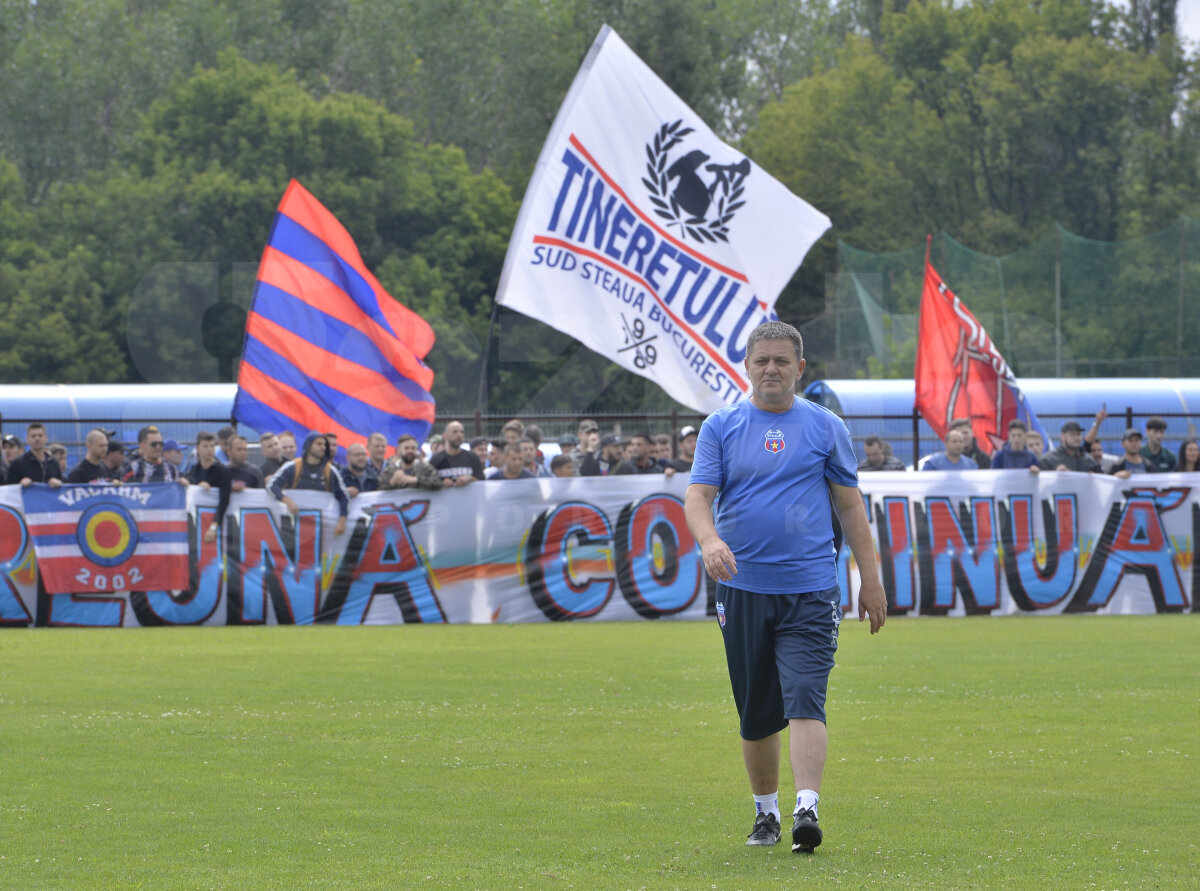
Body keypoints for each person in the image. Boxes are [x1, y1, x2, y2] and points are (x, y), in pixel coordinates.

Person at [684, 321, 886, 853]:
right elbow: (698, 498)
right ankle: (766, 813)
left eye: (781, 361)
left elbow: (850, 507)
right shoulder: (721, 427)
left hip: (812, 591)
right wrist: (708, 542)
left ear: (800, 369)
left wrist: (871, 579)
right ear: (747, 367)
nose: (770, 369)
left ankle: (806, 807)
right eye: (761, 361)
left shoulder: (826, 427)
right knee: (756, 711)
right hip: (743, 589)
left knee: (804, 698)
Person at [266, 432, 348, 536]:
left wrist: (342, 521)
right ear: (309, 446)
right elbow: (272, 486)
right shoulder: (292, 467)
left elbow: (344, 497)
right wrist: (287, 501)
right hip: (294, 528)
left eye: (324, 445)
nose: (323, 447)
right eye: (319, 444)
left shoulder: (330, 471)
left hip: (322, 529)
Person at [188, 432, 233, 543]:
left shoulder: (223, 470)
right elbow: (188, 485)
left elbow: (224, 501)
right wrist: (197, 486)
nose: (209, 449)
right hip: (197, 520)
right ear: (197, 448)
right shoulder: (194, 469)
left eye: (212, 446)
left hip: (218, 522)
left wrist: (213, 527)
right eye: (205, 446)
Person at [7, 423, 64, 488]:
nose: (37, 438)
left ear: (46, 438)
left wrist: (59, 483)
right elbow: (9, 489)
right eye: (33, 436)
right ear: (27, 439)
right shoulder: (18, 464)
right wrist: (20, 484)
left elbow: (62, 485)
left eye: (40, 435)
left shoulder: (54, 462)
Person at [430, 421, 485, 487]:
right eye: (455, 432)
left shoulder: (472, 457)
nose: (459, 435)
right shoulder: (436, 459)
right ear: (445, 436)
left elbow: (483, 482)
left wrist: (469, 478)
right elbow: (428, 482)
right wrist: (441, 483)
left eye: (462, 432)